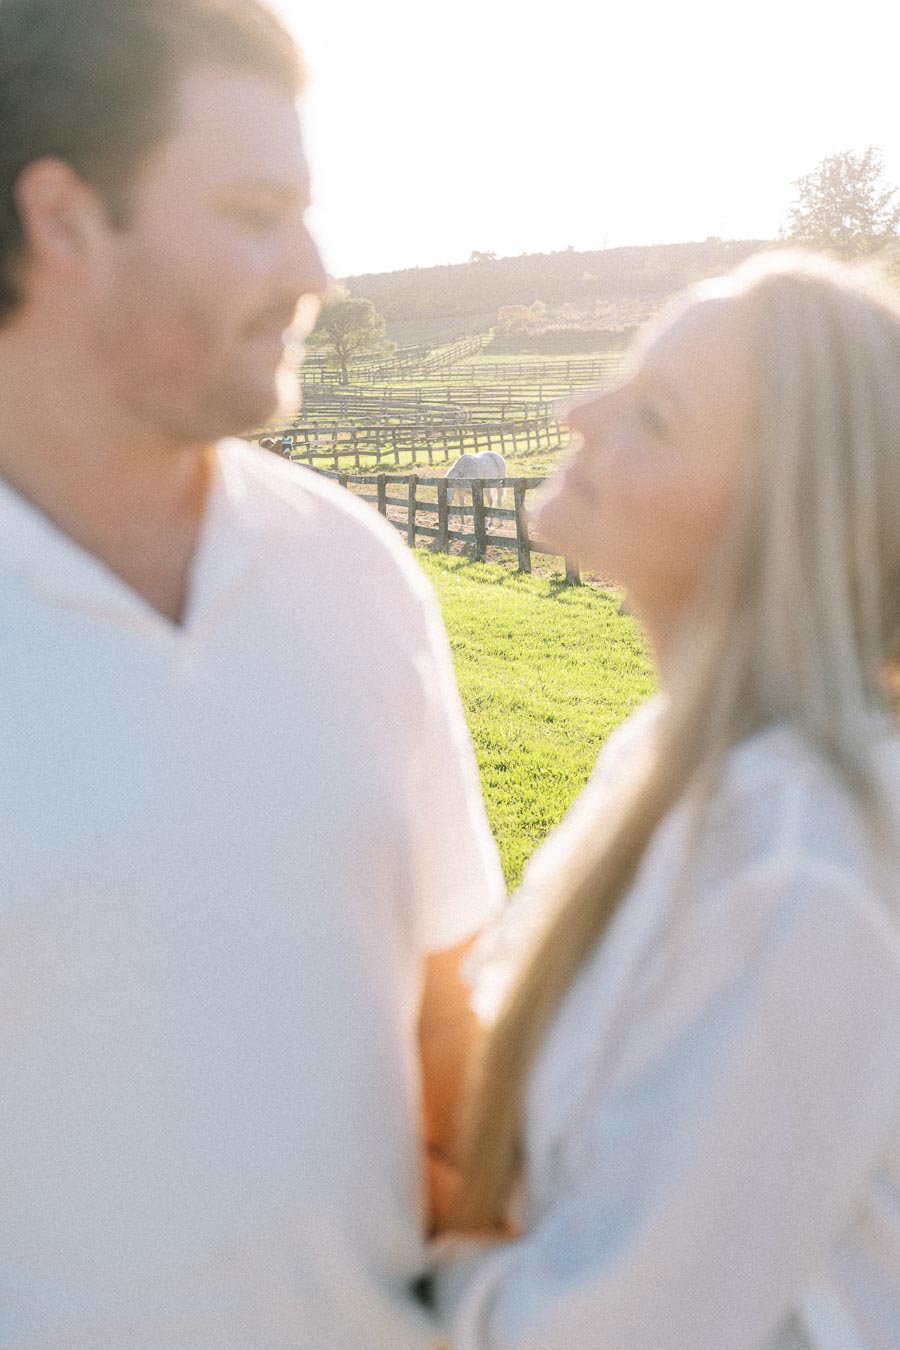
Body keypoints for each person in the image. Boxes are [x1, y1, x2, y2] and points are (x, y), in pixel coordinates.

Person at [0, 2, 504, 1346]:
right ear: (63, 217)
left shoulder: (356, 571)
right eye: (254, 210)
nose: (316, 270)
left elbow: (446, 1015)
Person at [434, 252, 900, 1349]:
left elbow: (628, 1326)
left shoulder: (799, 854)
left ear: (777, 517)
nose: (576, 411)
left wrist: (442, 1272)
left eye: (652, 414)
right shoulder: (667, 756)